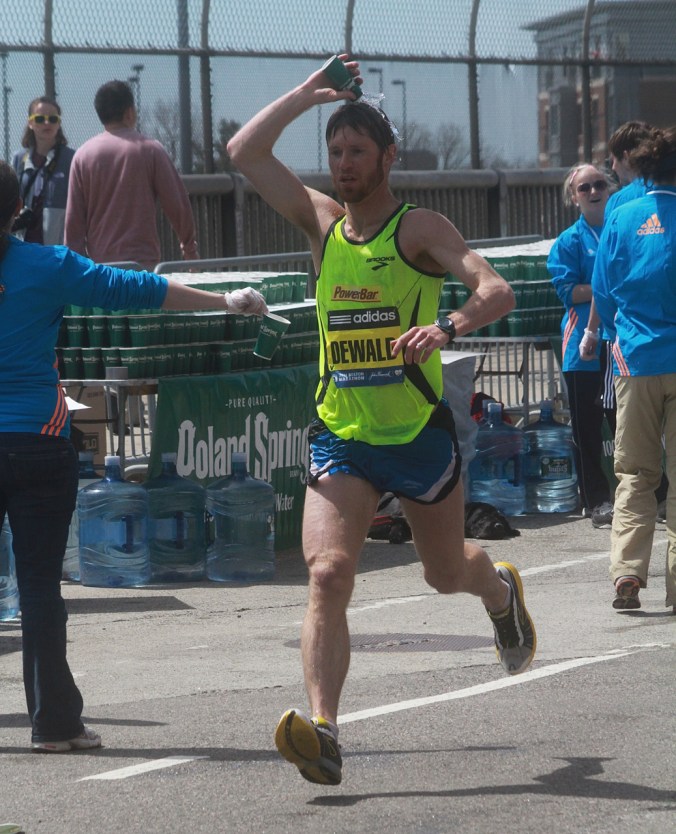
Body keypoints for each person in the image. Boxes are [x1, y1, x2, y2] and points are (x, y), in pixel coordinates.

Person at [227, 55, 536, 786]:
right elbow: (243, 153)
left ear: (387, 158)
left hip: (418, 434)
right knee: (329, 574)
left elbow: (497, 290)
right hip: (343, 434)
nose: (343, 166)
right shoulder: (323, 224)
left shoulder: (418, 227)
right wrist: (308, 94)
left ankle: (499, 594)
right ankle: (325, 732)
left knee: (444, 572)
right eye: (335, 153)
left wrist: (449, 327)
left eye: (357, 153)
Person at [0, 159, 266, 752]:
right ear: (18, 211)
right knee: (40, 587)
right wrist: (224, 300)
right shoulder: (46, 266)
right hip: (38, 446)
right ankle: (55, 725)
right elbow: (136, 290)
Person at [591, 125, 676, 613]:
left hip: (635, 359)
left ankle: (627, 573)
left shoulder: (622, 216)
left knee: (635, 474)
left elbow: (603, 290)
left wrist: (613, 337)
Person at [65, 80, 199, 270]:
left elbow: (74, 222)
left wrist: (76, 270)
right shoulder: (150, 149)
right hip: (142, 265)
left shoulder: (83, 155)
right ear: (130, 112)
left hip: (101, 269)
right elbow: (177, 203)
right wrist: (189, 249)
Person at [548, 163, 615, 528]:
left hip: (621, 342)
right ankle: (597, 501)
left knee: (628, 423)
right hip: (582, 348)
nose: (593, 192)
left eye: (599, 184)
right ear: (573, 197)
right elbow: (570, 291)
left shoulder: (622, 227)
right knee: (587, 430)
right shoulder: (569, 242)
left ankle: (653, 492)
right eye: (584, 187)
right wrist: (608, 284)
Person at [11, 97, 75, 246]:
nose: (47, 123)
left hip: (58, 248)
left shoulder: (72, 158)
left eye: (53, 119)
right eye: (40, 119)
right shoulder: (19, 159)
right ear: (30, 123)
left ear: (59, 123)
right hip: (25, 244)